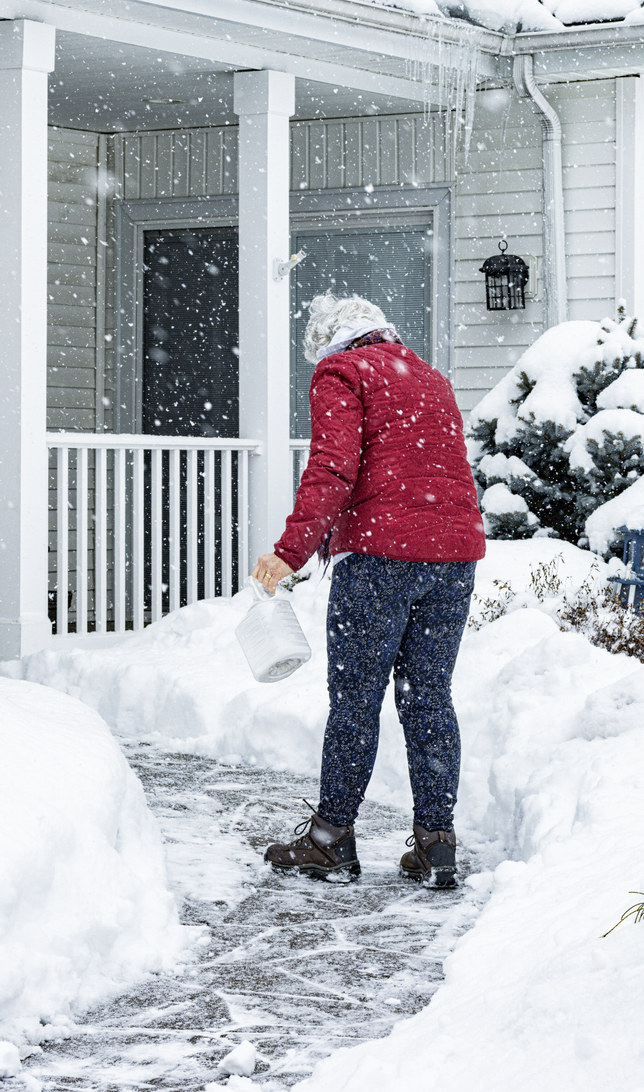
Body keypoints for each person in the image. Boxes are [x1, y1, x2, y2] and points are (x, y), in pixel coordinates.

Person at [251, 294, 485, 889]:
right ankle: (437, 844)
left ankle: (331, 841)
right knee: (428, 695)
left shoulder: (342, 373)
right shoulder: (430, 377)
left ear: (328, 344)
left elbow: (333, 468)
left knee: (356, 700)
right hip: (453, 559)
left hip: (381, 559)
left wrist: (289, 553)